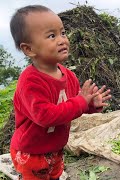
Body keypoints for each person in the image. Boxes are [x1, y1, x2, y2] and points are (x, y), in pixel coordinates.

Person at [9, 5, 112, 179]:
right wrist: (80, 101)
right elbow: (45, 116)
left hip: (55, 148)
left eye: (62, 33)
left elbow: (69, 107)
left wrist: (89, 105)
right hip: (32, 152)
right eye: (51, 36)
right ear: (29, 49)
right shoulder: (30, 81)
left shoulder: (69, 76)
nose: (62, 40)